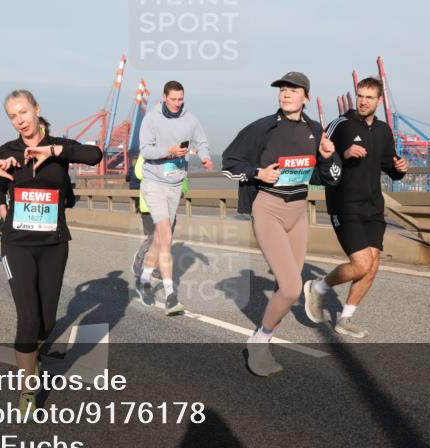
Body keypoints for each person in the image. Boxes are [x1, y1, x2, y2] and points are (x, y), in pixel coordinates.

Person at [0, 89, 102, 416]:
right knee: (28, 316)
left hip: (53, 244)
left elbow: (94, 155)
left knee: (47, 322)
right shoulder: (8, 151)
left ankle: (33, 356)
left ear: (37, 109)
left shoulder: (58, 147)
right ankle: (27, 388)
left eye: (23, 112)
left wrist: (55, 151)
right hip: (16, 243)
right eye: (12, 115)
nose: (20, 120)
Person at [223, 72, 342, 376]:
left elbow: (331, 178)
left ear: (306, 97)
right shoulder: (263, 128)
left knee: (282, 286)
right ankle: (260, 340)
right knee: (291, 288)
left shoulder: (317, 130)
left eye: (293, 90)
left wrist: (328, 159)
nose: (286, 95)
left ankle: (264, 334)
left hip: (299, 211)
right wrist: (257, 173)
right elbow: (229, 163)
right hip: (269, 209)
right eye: (282, 90)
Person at [303, 76, 408, 339]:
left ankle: (345, 318)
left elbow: (389, 166)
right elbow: (320, 159)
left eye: (369, 97)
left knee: (372, 267)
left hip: (373, 205)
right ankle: (318, 287)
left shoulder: (383, 130)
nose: (363, 101)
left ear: (379, 100)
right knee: (361, 264)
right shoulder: (341, 124)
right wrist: (344, 154)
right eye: (360, 95)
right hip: (344, 202)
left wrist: (399, 169)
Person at [137, 80, 213, 316]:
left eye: (181, 99)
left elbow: (201, 141)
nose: (177, 104)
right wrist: (169, 151)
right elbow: (145, 151)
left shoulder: (191, 119)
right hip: (154, 183)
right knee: (167, 236)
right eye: (173, 99)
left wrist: (205, 157)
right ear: (164, 97)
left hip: (175, 184)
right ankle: (171, 295)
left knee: (160, 239)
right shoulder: (151, 119)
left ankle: (144, 279)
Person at [131, 153, 189, 306]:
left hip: (170, 207)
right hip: (150, 206)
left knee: (163, 242)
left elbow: (183, 177)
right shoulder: (148, 152)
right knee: (155, 240)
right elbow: (138, 173)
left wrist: (182, 189)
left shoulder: (178, 155)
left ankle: (145, 278)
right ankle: (170, 294)